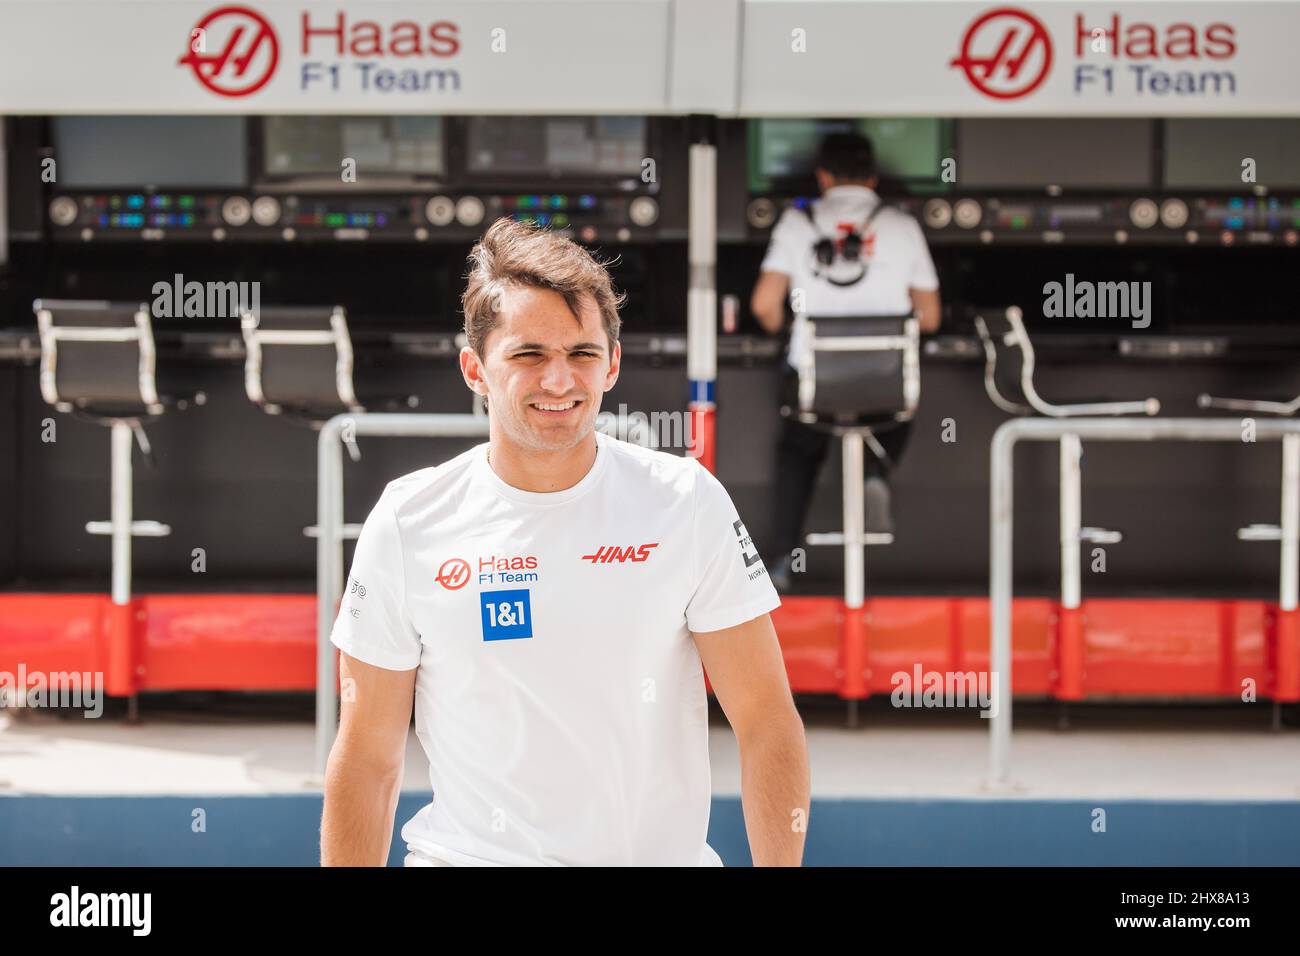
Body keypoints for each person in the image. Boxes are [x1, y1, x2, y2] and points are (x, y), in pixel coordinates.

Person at [321, 217, 810, 866]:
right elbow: (368, 759)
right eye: (528, 355)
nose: (559, 380)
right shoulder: (411, 520)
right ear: (475, 368)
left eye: (581, 354)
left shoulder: (683, 503)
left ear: (611, 364)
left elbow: (767, 723)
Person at [750, 132, 941, 592]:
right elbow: (930, 317)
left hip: (818, 385)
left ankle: (782, 560)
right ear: (873, 178)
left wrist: (786, 329)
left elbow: (763, 306)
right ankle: (876, 466)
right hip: (886, 386)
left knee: (798, 448)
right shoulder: (901, 225)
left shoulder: (798, 223)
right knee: (898, 415)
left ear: (823, 177)